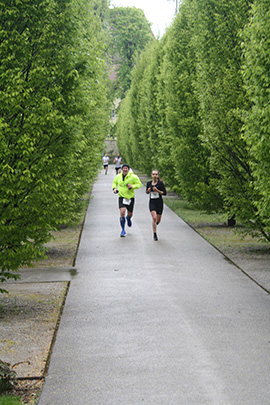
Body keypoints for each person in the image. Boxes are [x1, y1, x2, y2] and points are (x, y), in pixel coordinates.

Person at [112, 164, 142, 237]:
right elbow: (114, 183)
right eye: (124, 168)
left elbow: (139, 184)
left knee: (130, 214)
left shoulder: (133, 177)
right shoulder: (118, 176)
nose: (125, 169)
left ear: (128, 169)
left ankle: (128, 218)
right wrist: (114, 189)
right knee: (122, 212)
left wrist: (132, 186)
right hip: (121, 197)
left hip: (130, 197)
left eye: (126, 168)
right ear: (122, 169)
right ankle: (123, 230)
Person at [146, 169, 167, 241]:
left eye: (156, 174)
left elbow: (164, 193)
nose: (154, 176)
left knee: (158, 220)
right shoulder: (149, 183)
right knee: (154, 218)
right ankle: (155, 234)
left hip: (159, 203)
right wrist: (148, 191)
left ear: (158, 175)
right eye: (153, 174)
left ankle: (155, 224)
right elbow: (147, 192)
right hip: (152, 202)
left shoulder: (160, 183)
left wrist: (157, 190)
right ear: (151, 175)